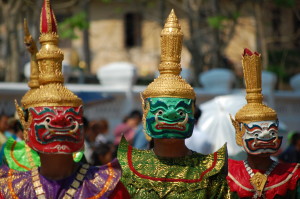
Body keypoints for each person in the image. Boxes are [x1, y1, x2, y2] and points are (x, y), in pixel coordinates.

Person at [0, 1, 129, 198]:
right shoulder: (11, 189)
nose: (59, 121)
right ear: (26, 128)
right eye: (48, 118)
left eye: (68, 118)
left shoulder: (107, 186)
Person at [117, 10, 230, 198]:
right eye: (160, 110)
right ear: (145, 113)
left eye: (180, 110)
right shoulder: (128, 166)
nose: (170, 116)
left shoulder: (209, 169)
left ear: (192, 114)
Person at [227, 48, 300, 198]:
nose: (266, 135)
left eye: (272, 132)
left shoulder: (292, 174)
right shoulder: (227, 173)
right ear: (239, 134)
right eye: (255, 132)